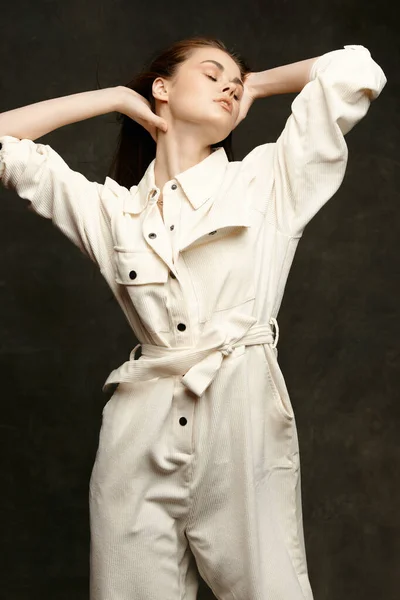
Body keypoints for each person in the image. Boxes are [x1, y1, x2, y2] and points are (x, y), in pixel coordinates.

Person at [0, 35, 387, 600]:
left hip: (242, 418)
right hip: (138, 436)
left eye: (236, 79)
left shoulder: (268, 179)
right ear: (161, 88)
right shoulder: (113, 212)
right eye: (212, 74)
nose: (229, 84)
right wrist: (114, 97)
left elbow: (356, 69)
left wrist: (255, 83)